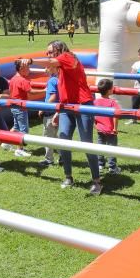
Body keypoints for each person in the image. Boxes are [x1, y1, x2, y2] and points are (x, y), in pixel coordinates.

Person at [41, 40, 102, 195]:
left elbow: (51, 62)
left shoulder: (68, 57)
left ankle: (96, 181)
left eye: (50, 52)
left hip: (83, 104)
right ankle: (68, 177)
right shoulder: (59, 67)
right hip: (66, 106)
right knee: (63, 139)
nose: (48, 55)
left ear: (59, 50)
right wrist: (57, 112)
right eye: (46, 53)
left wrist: (28, 61)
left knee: (86, 142)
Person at [7, 58, 41, 158]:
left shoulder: (13, 78)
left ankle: (5, 142)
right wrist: (45, 90)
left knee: (16, 127)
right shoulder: (23, 80)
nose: (29, 70)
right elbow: (31, 92)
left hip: (14, 107)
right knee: (24, 130)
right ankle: (19, 150)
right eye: (28, 68)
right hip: (20, 108)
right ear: (22, 68)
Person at [93, 79, 121, 175]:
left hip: (100, 129)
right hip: (110, 130)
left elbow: (92, 114)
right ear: (109, 90)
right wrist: (115, 128)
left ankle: (100, 164)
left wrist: (95, 124)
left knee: (100, 146)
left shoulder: (95, 102)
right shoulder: (112, 102)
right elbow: (116, 116)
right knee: (112, 148)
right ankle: (112, 167)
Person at [38, 70, 60, 167]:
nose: (45, 69)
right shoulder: (59, 79)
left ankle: (49, 159)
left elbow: (53, 96)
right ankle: (63, 156)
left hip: (50, 112)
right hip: (57, 112)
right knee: (55, 136)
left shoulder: (51, 80)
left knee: (47, 136)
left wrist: (43, 108)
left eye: (47, 67)